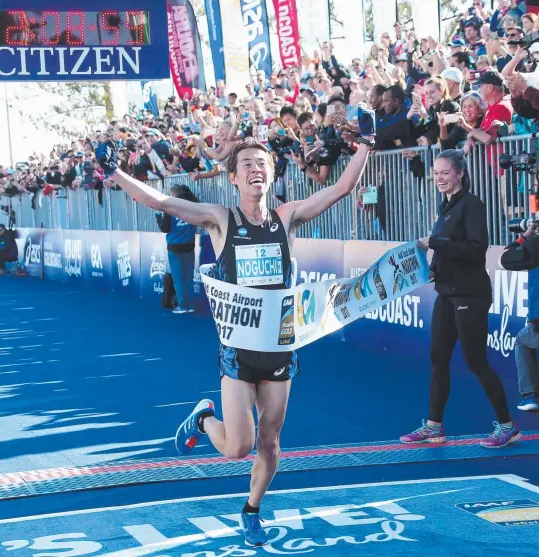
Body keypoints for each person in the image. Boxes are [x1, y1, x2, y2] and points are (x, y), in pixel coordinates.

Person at [95, 108, 376, 546]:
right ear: (234, 178)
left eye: (262, 164)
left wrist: (366, 145)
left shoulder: (287, 217)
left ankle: (251, 510)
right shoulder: (221, 219)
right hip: (239, 351)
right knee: (237, 448)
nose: (255, 170)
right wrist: (115, 171)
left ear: (272, 173)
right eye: (246, 165)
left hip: (280, 347)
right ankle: (204, 418)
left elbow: (342, 188)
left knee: (271, 443)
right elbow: (162, 202)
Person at [400, 149, 520, 449]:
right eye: (436, 173)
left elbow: (476, 249)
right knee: (438, 359)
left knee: (476, 361)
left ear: (460, 174)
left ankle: (508, 427)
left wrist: (435, 242)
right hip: (447, 292)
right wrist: (434, 269)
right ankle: (433, 427)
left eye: (445, 172)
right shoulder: (446, 205)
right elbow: (449, 250)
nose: (439, 178)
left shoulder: (472, 205)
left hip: (471, 294)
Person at [500, 221, 539, 412]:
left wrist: (526, 236)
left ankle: (530, 395)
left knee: (522, 341)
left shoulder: (536, 245)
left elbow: (505, 258)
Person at [155, 185, 198, 314]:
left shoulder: (170, 208)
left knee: (178, 278)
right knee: (189, 278)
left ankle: (182, 306)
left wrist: (158, 218)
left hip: (175, 247)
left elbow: (165, 228)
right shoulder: (193, 206)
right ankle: (190, 305)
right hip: (189, 245)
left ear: (173, 195)